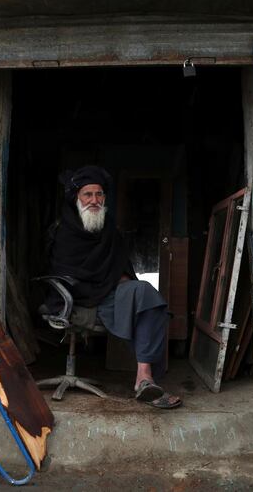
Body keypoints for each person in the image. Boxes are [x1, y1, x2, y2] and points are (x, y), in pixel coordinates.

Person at [45, 165, 181, 409]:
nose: (95, 200)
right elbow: (67, 276)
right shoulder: (63, 233)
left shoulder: (109, 229)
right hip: (77, 300)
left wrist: (125, 284)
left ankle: (145, 378)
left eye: (99, 195)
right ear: (75, 198)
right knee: (132, 299)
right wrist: (110, 284)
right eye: (88, 195)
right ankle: (145, 377)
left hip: (109, 294)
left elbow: (122, 268)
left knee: (149, 297)